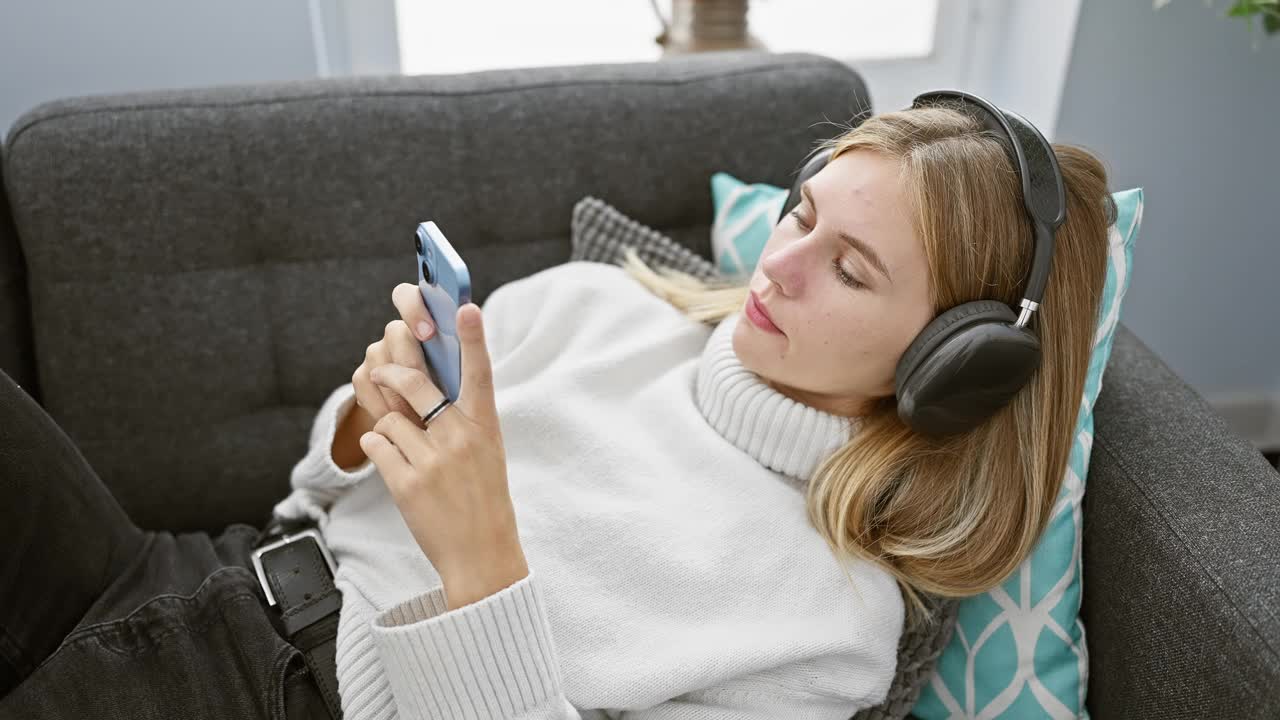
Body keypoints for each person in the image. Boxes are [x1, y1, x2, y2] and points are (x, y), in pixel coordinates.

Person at [0, 98, 1114, 719]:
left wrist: (479, 559)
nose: (779, 267)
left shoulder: (829, 631)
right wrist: (366, 420)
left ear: (951, 363)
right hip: (184, 571)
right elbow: (318, 488)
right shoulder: (596, 303)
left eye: (853, 269)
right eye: (800, 213)